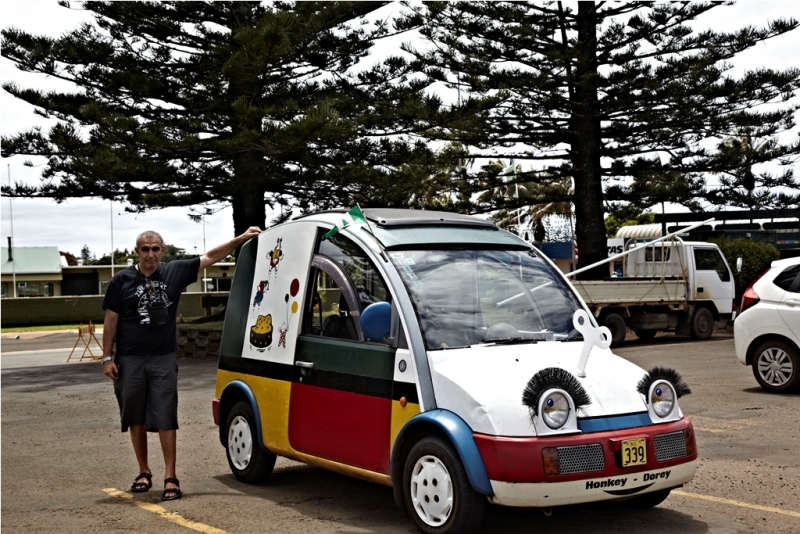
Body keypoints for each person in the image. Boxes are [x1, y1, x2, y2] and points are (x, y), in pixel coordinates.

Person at [101, 227, 261, 500]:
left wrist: (243, 238)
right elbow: (111, 320)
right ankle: (143, 470)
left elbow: (211, 257)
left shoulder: (174, 271)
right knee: (135, 416)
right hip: (130, 359)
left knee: (166, 415)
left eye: (155, 248)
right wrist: (107, 358)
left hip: (163, 357)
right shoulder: (121, 280)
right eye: (144, 249)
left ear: (163, 251)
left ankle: (170, 476)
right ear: (137, 252)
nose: (150, 253)